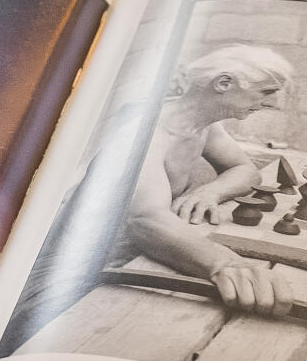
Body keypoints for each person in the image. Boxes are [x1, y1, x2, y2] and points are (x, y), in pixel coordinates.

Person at [122, 44, 296, 315]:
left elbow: (245, 168)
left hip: (151, 248)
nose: (271, 103)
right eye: (266, 92)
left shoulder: (204, 125)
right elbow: (144, 219)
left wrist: (211, 191)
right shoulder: (148, 132)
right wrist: (225, 264)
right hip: (96, 257)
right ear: (224, 83)